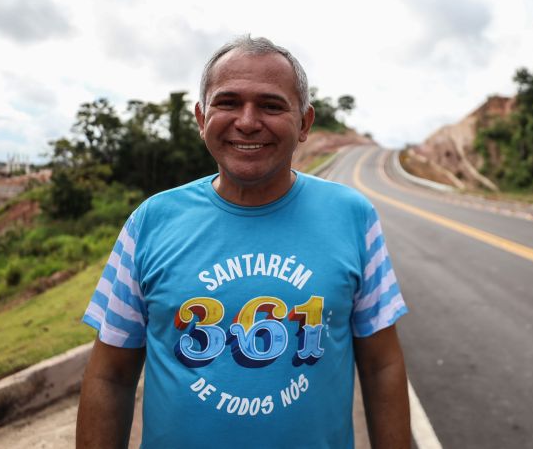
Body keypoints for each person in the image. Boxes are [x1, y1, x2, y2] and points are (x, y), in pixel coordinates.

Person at [76, 35, 410, 448]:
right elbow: (111, 375)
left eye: (271, 105)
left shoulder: (353, 217)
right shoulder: (150, 222)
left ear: (304, 123)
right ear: (201, 118)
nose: (248, 121)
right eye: (228, 102)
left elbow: (382, 366)